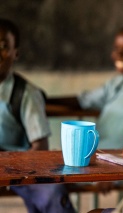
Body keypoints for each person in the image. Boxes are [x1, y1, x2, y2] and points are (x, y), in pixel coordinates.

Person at [0, 18, 75, 213]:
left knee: (52, 194)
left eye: (3, 46)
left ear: (16, 53)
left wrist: (7, 170)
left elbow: (40, 148)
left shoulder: (25, 94)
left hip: (22, 167)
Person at [47, 24, 123, 150]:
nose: (119, 55)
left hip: (117, 158)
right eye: (116, 49)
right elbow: (83, 100)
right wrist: (43, 99)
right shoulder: (116, 82)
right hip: (100, 151)